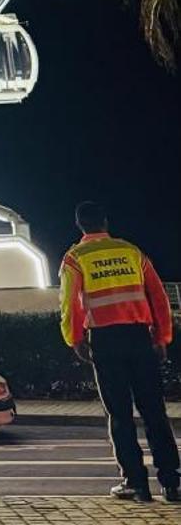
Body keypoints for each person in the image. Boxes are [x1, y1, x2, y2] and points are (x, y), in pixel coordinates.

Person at [59, 200, 179, 504]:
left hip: (105, 342)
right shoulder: (131, 251)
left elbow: (70, 305)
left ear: (80, 225)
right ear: (105, 222)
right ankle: (173, 483)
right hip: (140, 338)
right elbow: (159, 296)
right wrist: (162, 337)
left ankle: (136, 485)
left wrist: (75, 338)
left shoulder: (75, 258)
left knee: (120, 416)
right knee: (154, 412)